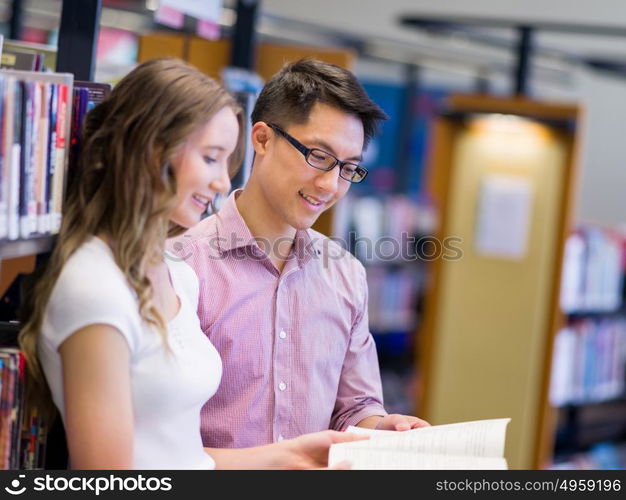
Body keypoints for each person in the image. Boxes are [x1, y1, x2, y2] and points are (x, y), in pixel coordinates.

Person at [18, 58, 364, 470]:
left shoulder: (175, 275)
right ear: (151, 151)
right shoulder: (94, 285)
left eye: (224, 161)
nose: (222, 182)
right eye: (210, 158)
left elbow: (183, 456)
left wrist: (288, 456)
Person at [168, 58, 430, 449]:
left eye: (348, 168)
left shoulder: (345, 274)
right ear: (262, 139)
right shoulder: (180, 264)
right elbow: (159, 439)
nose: (329, 185)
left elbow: (355, 407)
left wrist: (381, 427)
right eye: (319, 157)